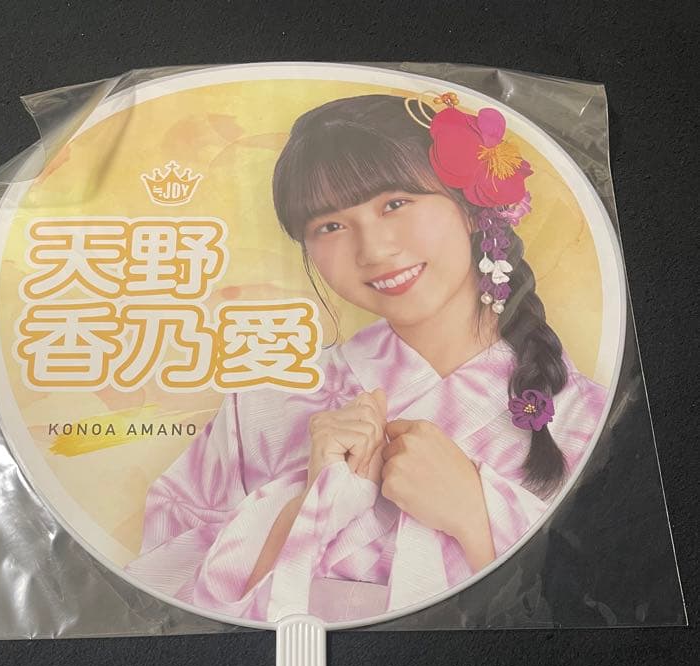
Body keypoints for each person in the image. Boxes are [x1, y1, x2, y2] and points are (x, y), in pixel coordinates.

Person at [126, 91, 606, 623]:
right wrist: (306, 504)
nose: (373, 250)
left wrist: (476, 514)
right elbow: (159, 602)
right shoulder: (265, 400)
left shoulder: (586, 418)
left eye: (395, 203)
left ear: (472, 209)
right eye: (329, 226)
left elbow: (605, 604)